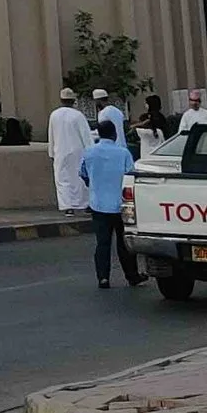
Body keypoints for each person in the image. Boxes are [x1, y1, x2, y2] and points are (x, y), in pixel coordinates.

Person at [82, 119, 142, 289]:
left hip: (98, 205)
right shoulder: (123, 153)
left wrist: (95, 185)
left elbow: (83, 173)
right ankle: (132, 276)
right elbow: (131, 175)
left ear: (99, 134)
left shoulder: (89, 153)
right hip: (120, 205)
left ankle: (103, 278)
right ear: (115, 134)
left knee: (102, 243)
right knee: (124, 244)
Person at [48, 89, 92, 213]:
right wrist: (90, 151)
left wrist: (51, 152)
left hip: (60, 151)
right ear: (73, 101)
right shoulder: (78, 115)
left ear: (61, 100)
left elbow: (51, 135)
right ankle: (83, 204)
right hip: (78, 152)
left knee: (62, 179)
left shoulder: (54, 114)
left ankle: (67, 206)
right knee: (80, 178)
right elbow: (86, 136)